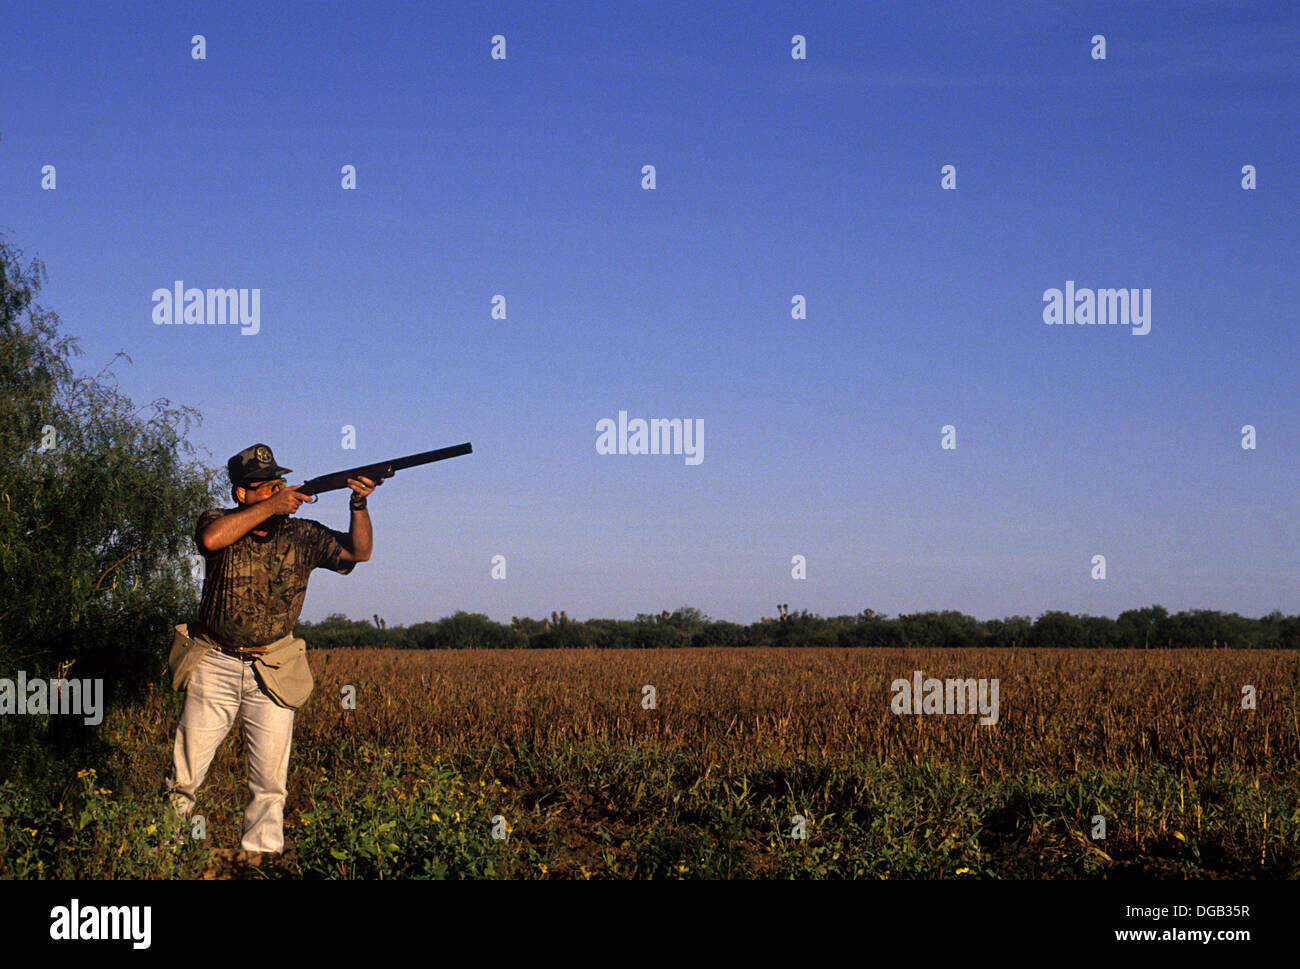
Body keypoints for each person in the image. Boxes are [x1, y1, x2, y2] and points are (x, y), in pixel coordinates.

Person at [162, 442, 383, 859]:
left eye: (279, 483)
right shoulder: (218, 520)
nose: (277, 490)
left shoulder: (303, 534)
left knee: (269, 781)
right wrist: (273, 505)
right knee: (185, 773)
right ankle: (163, 854)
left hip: (275, 667)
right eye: (264, 486)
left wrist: (358, 503)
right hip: (215, 662)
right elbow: (211, 540)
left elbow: (359, 552)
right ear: (241, 494)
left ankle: (259, 860)